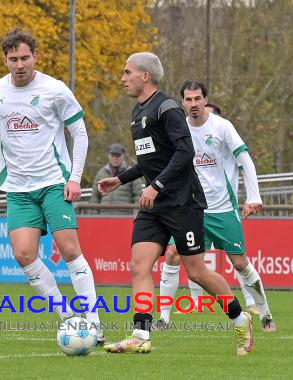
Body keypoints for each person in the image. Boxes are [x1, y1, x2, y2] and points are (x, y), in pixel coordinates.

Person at [98, 53, 254, 356]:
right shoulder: (136, 112)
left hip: (184, 202)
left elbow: (185, 152)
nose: (122, 78)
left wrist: (156, 185)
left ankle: (239, 317)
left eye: (127, 72)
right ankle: (141, 333)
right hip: (154, 205)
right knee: (139, 266)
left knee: (196, 272)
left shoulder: (167, 107)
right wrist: (122, 179)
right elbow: (151, 159)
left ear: (145, 76)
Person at [0, 28, 104, 345]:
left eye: (25, 57)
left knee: (69, 250)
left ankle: (94, 324)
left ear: (35, 57)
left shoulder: (55, 90)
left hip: (55, 182)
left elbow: (79, 134)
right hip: (18, 188)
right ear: (5, 60)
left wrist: (74, 178)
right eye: (13, 59)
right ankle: (68, 318)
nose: (19, 64)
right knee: (24, 254)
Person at [156, 81, 276, 333]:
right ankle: (163, 318)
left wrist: (253, 196)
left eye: (197, 99)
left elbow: (245, 160)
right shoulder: (179, 129)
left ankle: (265, 313)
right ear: (183, 103)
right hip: (192, 210)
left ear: (205, 100)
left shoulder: (222, 127)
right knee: (173, 255)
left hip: (222, 209)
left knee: (240, 263)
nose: (193, 104)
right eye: (188, 100)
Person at [90, 143, 143, 214]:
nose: (115, 158)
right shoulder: (100, 173)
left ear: (123, 156)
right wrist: (93, 215)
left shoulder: (131, 173)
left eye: (118, 155)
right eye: (113, 155)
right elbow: (95, 197)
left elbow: (138, 196)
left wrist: (135, 216)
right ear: (108, 156)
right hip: (103, 217)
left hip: (124, 217)